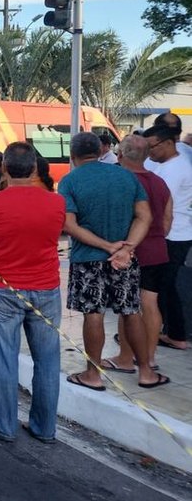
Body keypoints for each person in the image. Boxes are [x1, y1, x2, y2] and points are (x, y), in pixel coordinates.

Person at [58, 132, 166, 390]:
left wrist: (106, 246)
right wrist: (127, 249)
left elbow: (69, 225)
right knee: (131, 312)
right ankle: (146, 373)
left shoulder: (69, 181)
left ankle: (92, 375)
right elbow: (145, 216)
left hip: (87, 259)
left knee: (92, 314)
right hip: (124, 260)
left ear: (73, 156)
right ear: (99, 151)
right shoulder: (126, 176)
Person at [0, 142, 66, 443]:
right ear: (35, 168)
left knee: (4, 359)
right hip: (46, 289)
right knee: (48, 361)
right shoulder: (56, 203)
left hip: (4, 288)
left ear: (3, 168)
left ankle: (3, 424)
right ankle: (44, 428)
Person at [104, 134, 171, 372]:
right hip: (157, 249)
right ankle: (149, 358)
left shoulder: (121, 181)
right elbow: (166, 219)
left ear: (120, 155)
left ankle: (125, 358)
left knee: (127, 306)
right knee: (150, 303)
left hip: (129, 250)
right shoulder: (159, 182)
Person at [145, 123, 192, 351]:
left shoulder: (176, 169)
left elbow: (165, 210)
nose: (149, 152)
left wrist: (158, 238)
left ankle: (174, 335)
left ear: (168, 144)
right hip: (171, 234)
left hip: (173, 235)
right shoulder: (166, 164)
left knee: (163, 287)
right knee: (166, 286)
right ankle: (172, 332)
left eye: (152, 147)